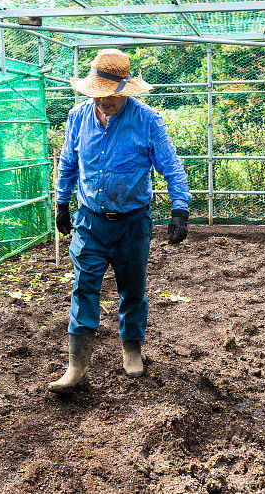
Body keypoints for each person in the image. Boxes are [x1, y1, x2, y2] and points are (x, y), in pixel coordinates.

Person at [48, 49, 191, 394]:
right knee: (83, 287)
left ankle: (131, 349)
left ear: (125, 90)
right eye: (99, 94)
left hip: (132, 222)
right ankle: (76, 366)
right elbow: (68, 162)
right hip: (90, 221)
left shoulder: (146, 120)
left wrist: (180, 208)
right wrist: (62, 201)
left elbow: (170, 165)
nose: (106, 100)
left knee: (132, 288)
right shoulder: (78, 117)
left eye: (112, 94)